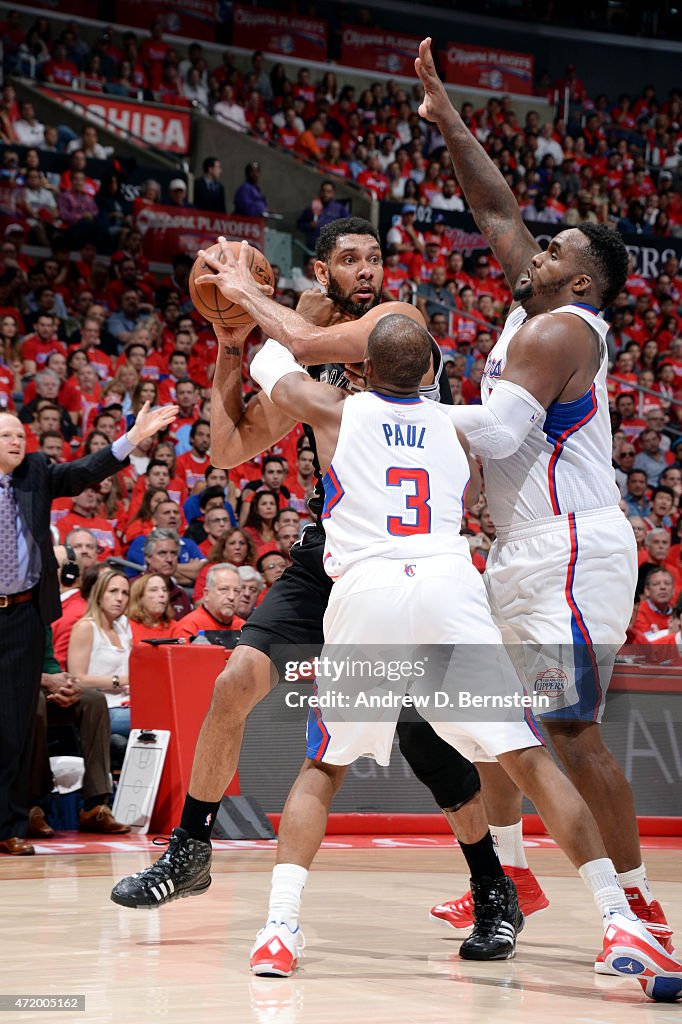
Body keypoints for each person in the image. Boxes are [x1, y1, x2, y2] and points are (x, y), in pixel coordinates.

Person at [411, 37, 675, 991]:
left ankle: (640, 905)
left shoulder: (563, 327)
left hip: (567, 547)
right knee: (495, 720)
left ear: (580, 281)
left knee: (570, 730)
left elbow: (498, 427)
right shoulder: (543, 303)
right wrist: (447, 118)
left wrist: (392, 409)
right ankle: (514, 878)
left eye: (555, 249)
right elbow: (495, 208)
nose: (536, 246)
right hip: (528, 546)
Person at [0, 400, 174, 854]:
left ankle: (9, 826)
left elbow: (82, 472)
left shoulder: (35, 471)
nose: (17, 441)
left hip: (21, 616)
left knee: (15, 727)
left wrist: (132, 439)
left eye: (20, 434)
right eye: (6, 436)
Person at [30, 626, 130, 836]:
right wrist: (46, 681)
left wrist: (62, 684)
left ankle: (95, 805)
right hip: (15, 687)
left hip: (40, 683)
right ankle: (32, 806)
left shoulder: (35, 611)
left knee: (93, 700)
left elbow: (47, 659)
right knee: (34, 702)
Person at [67, 569, 132, 743]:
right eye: (113, 591)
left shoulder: (123, 628)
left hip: (127, 703)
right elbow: (78, 679)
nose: (120, 598)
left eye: (125, 593)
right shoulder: (86, 628)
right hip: (102, 707)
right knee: (156, 718)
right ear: (99, 595)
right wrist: (122, 680)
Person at [172, 564, 244, 638]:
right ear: (206, 594)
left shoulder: (245, 629)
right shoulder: (188, 627)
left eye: (236, 591)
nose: (231, 597)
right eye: (224, 589)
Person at [127, 572, 175, 642]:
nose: (162, 594)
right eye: (154, 590)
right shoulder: (126, 627)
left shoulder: (175, 627)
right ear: (140, 597)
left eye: (164, 590)